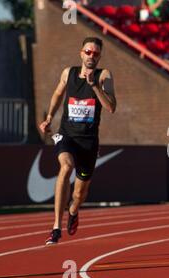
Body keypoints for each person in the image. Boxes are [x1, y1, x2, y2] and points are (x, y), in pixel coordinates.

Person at [39, 37, 117, 244]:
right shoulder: (69, 73)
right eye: (88, 52)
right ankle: (56, 227)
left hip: (89, 143)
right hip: (67, 136)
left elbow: (111, 107)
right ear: (81, 53)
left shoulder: (104, 76)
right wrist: (49, 118)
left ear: (99, 57)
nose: (91, 56)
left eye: (96, 53)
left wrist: (95, 87)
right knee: (65, 167)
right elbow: (57, 93)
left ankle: (73, 210)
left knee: (80, 194)